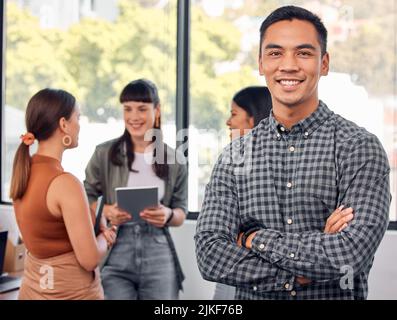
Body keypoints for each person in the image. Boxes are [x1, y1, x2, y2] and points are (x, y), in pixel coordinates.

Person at [195, 5, 390, 300]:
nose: (288, 65)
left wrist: (253, 239)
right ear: (261, 63)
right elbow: (210, 254)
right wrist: (301, 268)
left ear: (324, 64)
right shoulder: (234, 156)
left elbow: (349, 254)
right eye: (275, 53)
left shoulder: (360, 149)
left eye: (303, 53)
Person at [84, 79, 188, 300]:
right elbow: (86, 197)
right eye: (127, 109)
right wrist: (105, 211)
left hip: (158, 248)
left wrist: (168, 215)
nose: (133, 117)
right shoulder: (104, 153)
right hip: (115, 245)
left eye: (142, 109)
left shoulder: (174, 159)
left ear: (157, 111)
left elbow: (181, 212)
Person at [10, 88, 117, 300]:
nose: (80, 124)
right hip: (71, 293)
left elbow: (48, 232)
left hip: (33, 290)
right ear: (63, 125)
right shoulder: (65, 183)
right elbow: (89, 259)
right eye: (77, 117)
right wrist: (107, 237)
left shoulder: (22, 172)